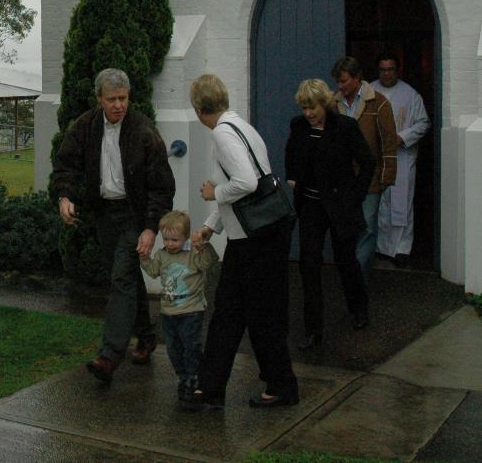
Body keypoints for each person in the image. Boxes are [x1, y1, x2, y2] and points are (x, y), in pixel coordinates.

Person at [52, 68, 176, 385]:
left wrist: (151, 227)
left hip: (134, 214)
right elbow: (66, 164)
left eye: (123, 98)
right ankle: (146, 337)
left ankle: (109, 356)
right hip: (104, 214)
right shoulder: (85, 127)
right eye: (112, 99)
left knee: (121, 276)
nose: (119, 105)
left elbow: (162, 187)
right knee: (127, 277)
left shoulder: (144, 132)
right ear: (99, 99)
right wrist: (64, 196)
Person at [189, 74, 299, 410]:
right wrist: (211, 224)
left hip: (256, 239)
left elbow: (246, 183)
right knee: (230, 313)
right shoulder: (241, 126)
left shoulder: (222, 134)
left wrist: (213, 193)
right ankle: (210, 387)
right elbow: (248, 183)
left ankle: (281, 386)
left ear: (198, 108)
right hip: (256, 235)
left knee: (256, 314)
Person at [286, 79, 375, 348]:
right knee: (309, 264)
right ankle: (313, 329)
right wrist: (294, 177)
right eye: (304, 108)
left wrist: (355, 195)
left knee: (345, 259)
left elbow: (368, 162)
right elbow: (291, 154)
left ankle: (358, 309)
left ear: (324, 104)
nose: (308, 114)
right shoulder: (298, 127)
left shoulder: (345, 127)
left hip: (339, 205)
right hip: (312, 204)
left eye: (312, 107)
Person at [140, 210, 219, 410]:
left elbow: (211, 261)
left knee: (191, 346)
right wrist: (144, 258)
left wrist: (202, 246)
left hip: (191, 311)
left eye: (175, 239)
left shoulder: (193, 255)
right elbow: (152, 271)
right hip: (168, 312)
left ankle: (193, 378)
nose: (169, 244)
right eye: (166, 239)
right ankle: (183, 377)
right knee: (174, 349)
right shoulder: (162, 255)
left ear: (185, 237)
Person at [330, 55, 397, 280]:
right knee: (347, 227)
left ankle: (357, 278)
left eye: (344, 81)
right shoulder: (333, 104)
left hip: (370, 177)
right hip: (342, 178)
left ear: (357, 78)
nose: (340, 86)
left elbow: (388, 142)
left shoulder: (378, 103)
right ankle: (352, 274)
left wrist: (387, 175)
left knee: (367, 226)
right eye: (338, 82)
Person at [371, 52, 431, 268]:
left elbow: (423, 123)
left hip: (402, 157)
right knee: (379, 203)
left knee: (401, 203)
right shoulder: (369, 91)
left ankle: (401, 249)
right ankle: (379, 247)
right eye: (383, 69)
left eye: (391, 69)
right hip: (376, 156)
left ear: (398, 70)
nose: (387, 73)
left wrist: (401, 137)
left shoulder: (410, 95)